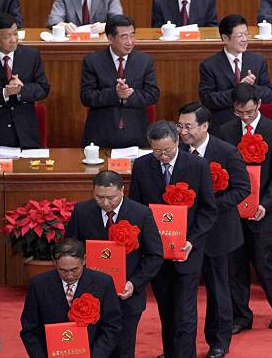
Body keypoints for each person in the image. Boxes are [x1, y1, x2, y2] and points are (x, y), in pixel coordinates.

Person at [129, 121, 216, 358]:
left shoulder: (197, 165)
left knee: (186, 313)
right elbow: (136, 207)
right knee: (166, 310)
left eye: (167, 150)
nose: (162, 156)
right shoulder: (142, 165)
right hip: (157, 253)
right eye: (157, 151)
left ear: (177, 141)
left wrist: (193, 240)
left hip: (187, 250)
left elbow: (208, 210)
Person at [177, 102, 250, 358]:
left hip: (219, 231)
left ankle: (219, 341)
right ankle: (180, 346)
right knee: (182, 290)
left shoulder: (227, 152)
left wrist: (209, 207)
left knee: (219, 290)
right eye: (180, 126)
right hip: (186, 233)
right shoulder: (177, 151)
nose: (183, 131)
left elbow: (242, 189)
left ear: (205, 126)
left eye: (188, 126)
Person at [220, 84, 272, 334]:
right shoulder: (226, 130)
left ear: (259, 105)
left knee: (265, 264)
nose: (245, 117)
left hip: (264, 210)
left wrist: (265, 204)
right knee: (235, 265)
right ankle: (241, 316)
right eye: (240, 113)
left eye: (249, 112)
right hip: (234, 212)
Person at [66, 170, 164, 358]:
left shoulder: (141, 213)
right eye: (99, 197)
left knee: (123, 349)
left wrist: (135, 283)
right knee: (94, 347)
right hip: (90, 297)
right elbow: (71, 248)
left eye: (110, 197)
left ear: (122, 190)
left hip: (127, 296)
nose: (105, 203)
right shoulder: (82, 211)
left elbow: (154, 255)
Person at [20, 238, 122, 357]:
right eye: (63, 270)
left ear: (84, 260)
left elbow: (112, 326)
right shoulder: (38, 285)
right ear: (55, 262)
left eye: (74, 270)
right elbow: (29, 329)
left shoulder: (103, 283)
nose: (69, 275)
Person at [0, 13, 50, 148]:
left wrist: (21, 90)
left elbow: (43, 88)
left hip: (26, 133)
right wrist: (4, 93)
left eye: (15, 34)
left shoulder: (31, 55)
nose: (13, 40)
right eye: (7, 36)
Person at [80, 14, 159, 148]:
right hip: (101, 134)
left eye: (132, 35)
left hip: (137, 134)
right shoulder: (93, 61)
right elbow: (86, 97)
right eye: (124, 37)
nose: (130, 41)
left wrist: (130, 95)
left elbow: (153, 94)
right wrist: (115, 94)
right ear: (110, 38)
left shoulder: (144, 61)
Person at [199, 14, 272, 136]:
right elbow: (208, 99)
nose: (244, 39)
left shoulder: (258, 61)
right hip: (223, 127)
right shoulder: (209, 65)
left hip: (254, 127)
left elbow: (269, 94)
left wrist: (251, 88)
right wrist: (238, 90)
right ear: (225, 38)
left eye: (246, 34)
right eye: (240, 35)